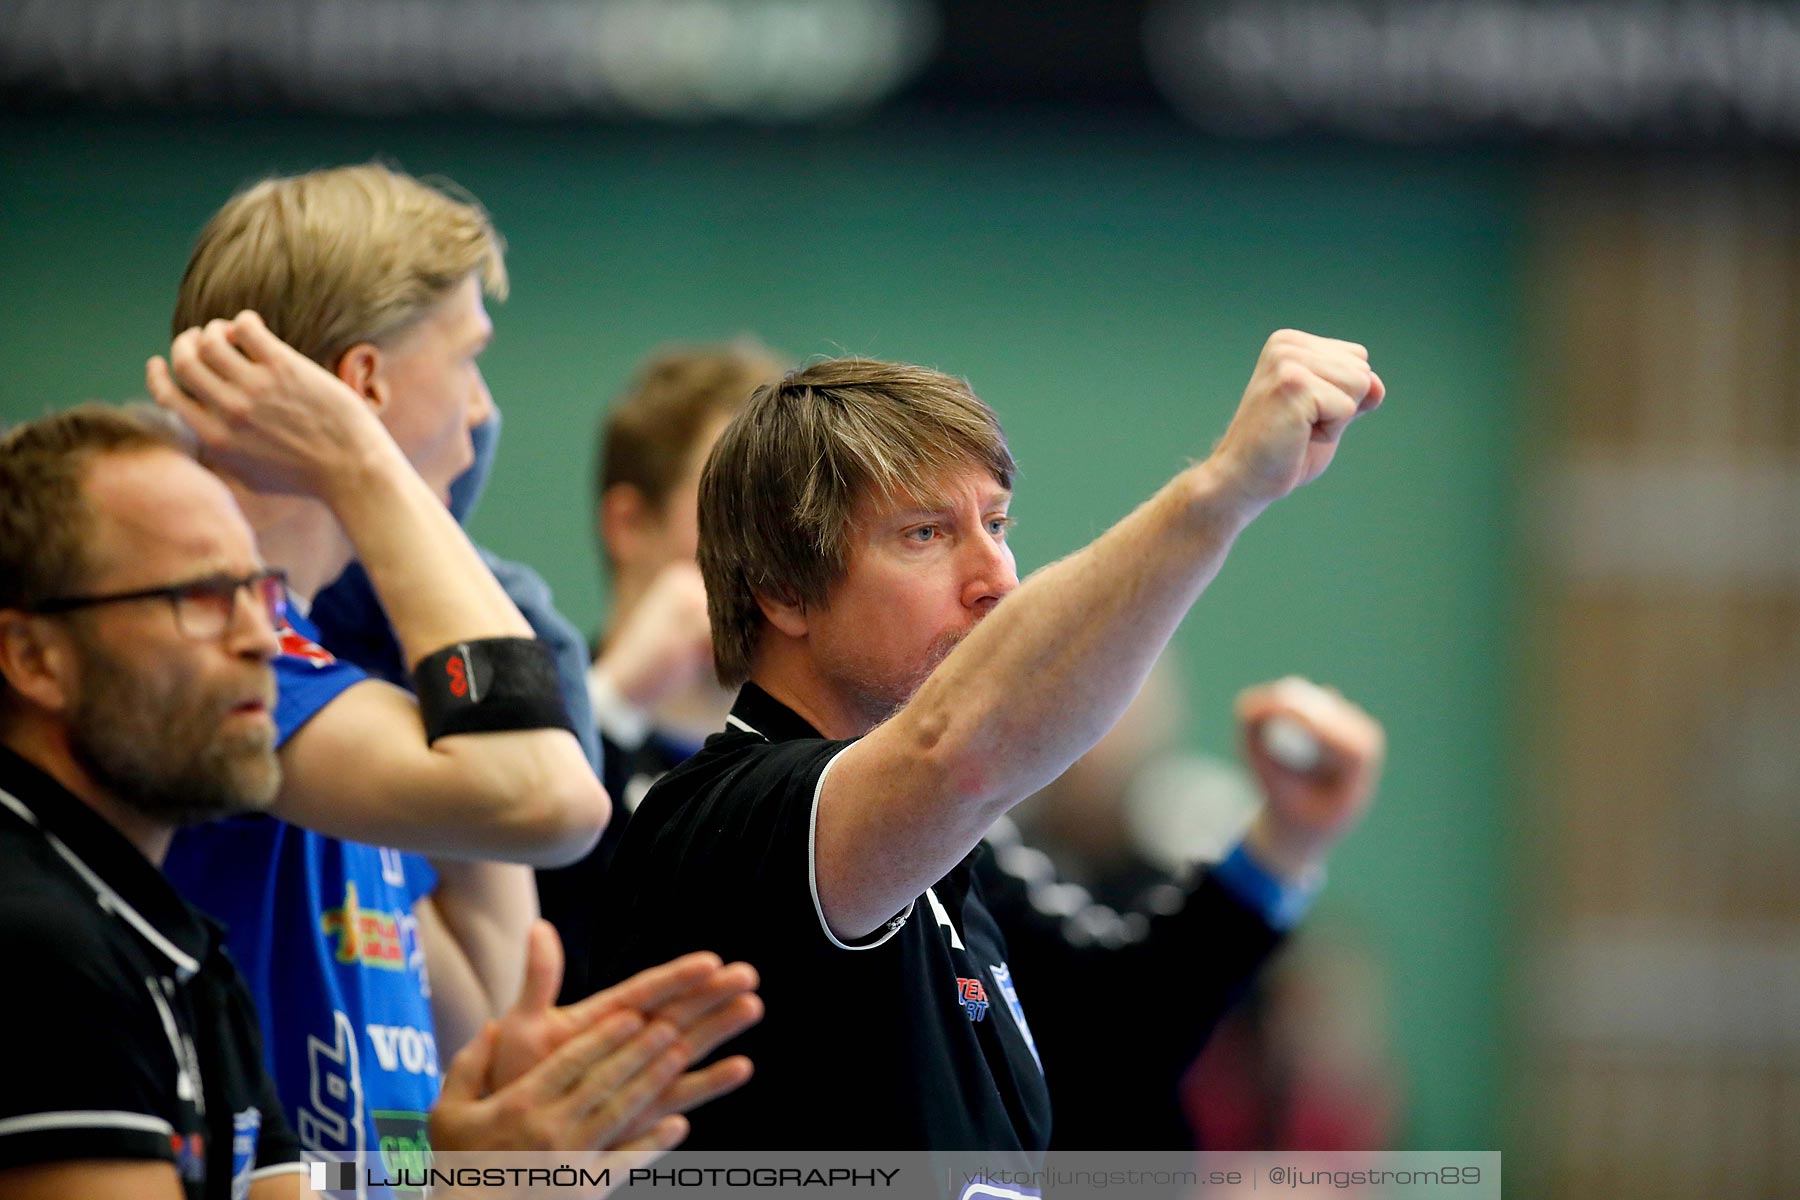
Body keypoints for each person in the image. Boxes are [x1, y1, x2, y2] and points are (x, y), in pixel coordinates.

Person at [589, 340, 1388, 1152]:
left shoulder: (954, 851)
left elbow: (1113, 1034)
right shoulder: (727, 816)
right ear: (783, 589)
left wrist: (1287, 842)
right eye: (925, 533)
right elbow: (962, 751)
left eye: (997, 523)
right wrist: (1225, 489)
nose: (997, 576)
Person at [145, 165, 757, 1181]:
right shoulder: (214, 639)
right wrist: (369, 466)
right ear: (365, 382)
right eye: (469, 361)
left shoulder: (332, 674)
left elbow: (488, 993)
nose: (480, 416)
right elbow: (554, 798)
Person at [0, 406, 305, 1199]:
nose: (263, 638)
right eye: (201, 595)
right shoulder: (36, 949)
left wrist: (474, 1166)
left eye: (257, 589)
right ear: (36, 658)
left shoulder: (179, 947)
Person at [541, 340, 786, 998]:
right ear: (629, 522)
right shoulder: (527, 732)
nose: (770, 548)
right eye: (734, 506)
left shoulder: (820, 758)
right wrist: (615, 701)